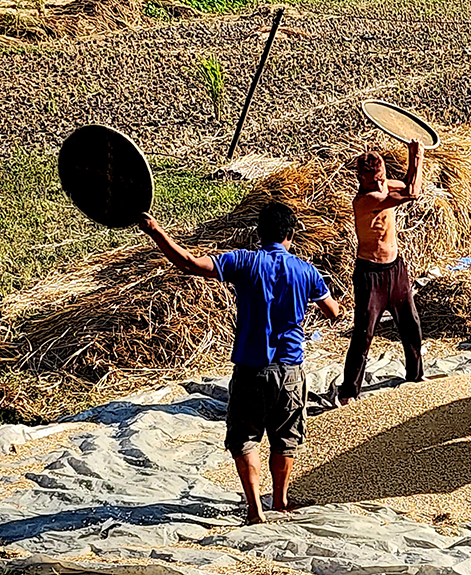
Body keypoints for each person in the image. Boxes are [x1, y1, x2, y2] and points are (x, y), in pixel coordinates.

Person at [138, 202, 343, 524]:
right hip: (290, 371)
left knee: (245, 437)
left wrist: (156, 232)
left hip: (250, 370)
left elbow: (189, 263)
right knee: (284, 437)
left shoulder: (243, 262)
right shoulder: (306, 271)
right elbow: (333, 311)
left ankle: (254, 509)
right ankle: (280, 500)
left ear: (259, 234)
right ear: (291, 234)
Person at [339, 141, 426, 405]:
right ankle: (349, 392)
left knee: (411, 325)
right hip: (371, 274)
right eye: (373, 181)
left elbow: (409, 182)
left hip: (395, 269)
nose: (379, 185)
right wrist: (419, 157)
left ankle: (416, 376)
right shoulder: (367, 199)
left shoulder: (383, 185)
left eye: (382, 179)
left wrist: (412, 158)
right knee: (364, 333)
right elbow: (412, 193)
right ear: (361, 180)